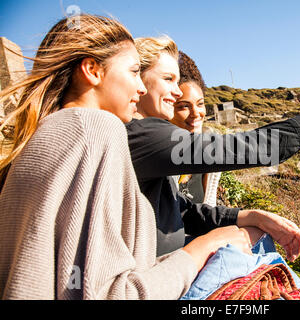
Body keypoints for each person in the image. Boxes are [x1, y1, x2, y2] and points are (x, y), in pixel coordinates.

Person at [0, 15, 253, 300]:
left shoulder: (45, 134)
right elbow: (108, 294)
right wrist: (204, 247)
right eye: (134, 72)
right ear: (92, 70)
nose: (142, 87)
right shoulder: (96, 129)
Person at [127, 36, 300, 262]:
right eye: (168, 79)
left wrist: (250, 216)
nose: (175, 89)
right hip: (158, 278)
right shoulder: (142, 135)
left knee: (254, 236)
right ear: (138, 80)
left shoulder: (143, 134)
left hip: (167, 266)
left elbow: (179, 209)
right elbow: (260, 147)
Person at [170, 51, 221, 207]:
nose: (196, 113)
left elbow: (209, 210)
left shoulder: (211, 149)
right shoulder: (159, 151)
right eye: (183, 106)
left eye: (200, 104)